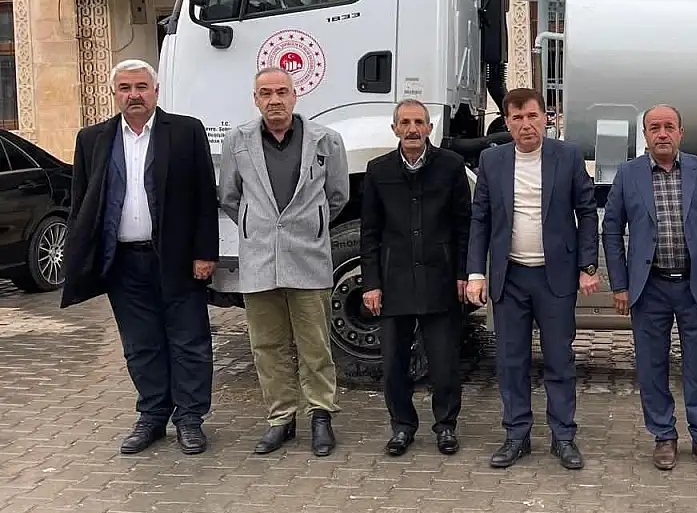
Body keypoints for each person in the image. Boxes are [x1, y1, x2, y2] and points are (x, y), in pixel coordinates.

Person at [61, 59, 220, 456]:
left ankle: (190, 419)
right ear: (115, 93)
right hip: (123, 263)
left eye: (141, 87)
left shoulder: (184, 131)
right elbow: (82, 201)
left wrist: (205, 252)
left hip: (178, 260)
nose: (134, 94)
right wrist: (85, 256)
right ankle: (152, 415)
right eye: (125, 88)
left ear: (155, 91)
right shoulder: (92, 138)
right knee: (140, 344)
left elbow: (205, 195)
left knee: (189, 341)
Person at [465, 88, 600, 470]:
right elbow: (481, 219)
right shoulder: (492, 161)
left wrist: (587, 265)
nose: (526, 125)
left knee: (559, 359)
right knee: (511, 361)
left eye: (532, 116)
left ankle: (563, 437)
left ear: (546, 118)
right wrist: (476, 272)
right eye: (517, 118)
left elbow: (587, 211)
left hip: (554, 277)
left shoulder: (567, 156)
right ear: (506, 123)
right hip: (510, 278)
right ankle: (516, 435)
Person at [219, 67, 349, 457]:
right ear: (255, 99)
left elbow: (338, 195)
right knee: (267, 344)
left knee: (314, 344)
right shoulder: (238, 142)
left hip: (308, 257)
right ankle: (281, 418)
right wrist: (256, 225)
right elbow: (229, 195)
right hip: (259, 257)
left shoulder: (327, 141)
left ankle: (321, 415)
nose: (274, 100)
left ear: (295, 96)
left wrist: (312, 224)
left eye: (282, 92)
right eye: (265, 93)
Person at [602, 105, 697, 471]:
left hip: (696, 285)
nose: (662, 133)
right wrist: (620, 284)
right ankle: (664, 436)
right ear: (645, 135)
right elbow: (611, 230)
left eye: (669, 127)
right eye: (654, 128)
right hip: (650, 288)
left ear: (681, 132)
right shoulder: (629, 175)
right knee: (651, 366)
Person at [360, 99, 472, 457]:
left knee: (443, 362)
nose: (412, 129)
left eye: (419, 122)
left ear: (429, 128)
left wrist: (462, 274)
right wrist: (371, 282)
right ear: (394, 128)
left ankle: (446, 426)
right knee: (393, 362)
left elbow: (463, 226)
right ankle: (402, 426)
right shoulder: (377, 170)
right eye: (405, 122)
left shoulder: (451, 167)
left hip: (440, 278)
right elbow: (370, 232)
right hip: (394, 281)